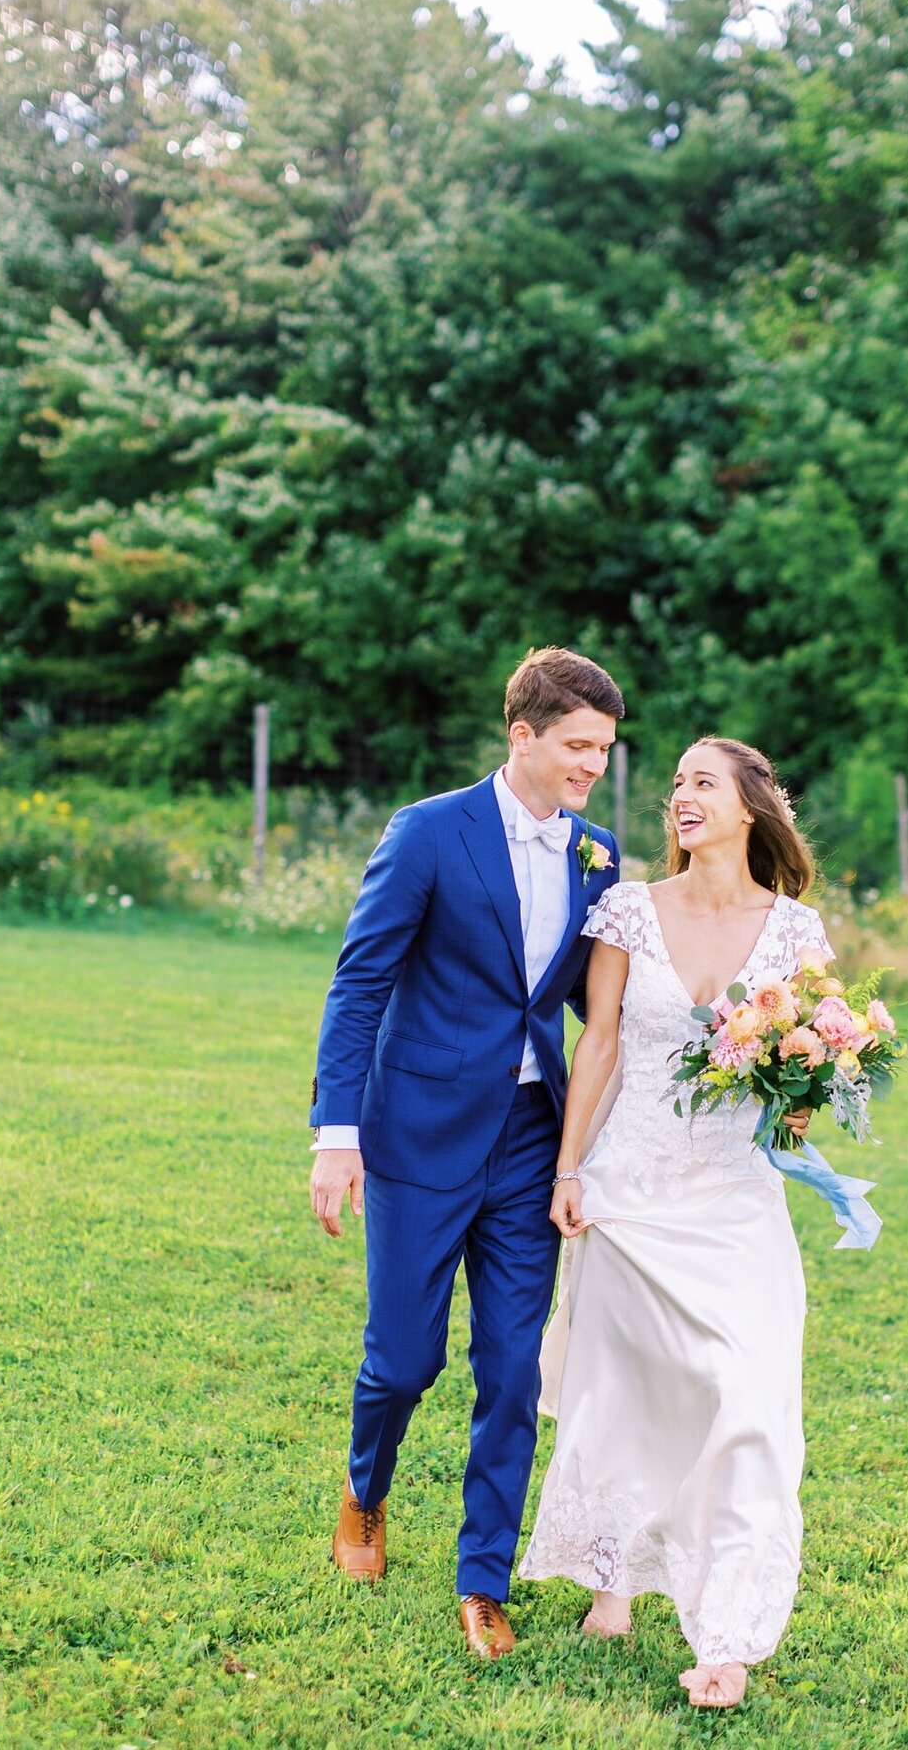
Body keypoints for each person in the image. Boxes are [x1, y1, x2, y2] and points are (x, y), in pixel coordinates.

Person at [308, 646, 624, 1660]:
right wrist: (336, 1135)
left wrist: (728, 1034)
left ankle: (482, 1577)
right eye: (579, 746)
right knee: (405, 1360)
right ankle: (366, 1490)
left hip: (534, 1145)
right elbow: (360, 986)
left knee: (511, 1368)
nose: (593, 768)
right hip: (417, 1135)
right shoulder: (429, 833)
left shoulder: (599, 854)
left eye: (607, 751)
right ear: (522, 736)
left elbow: (595, 1003)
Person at [519, 736, 831, 1709]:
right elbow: (600, 1041)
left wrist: (808, 1086)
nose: (679, 797)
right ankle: (614, 1585)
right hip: (629, 1187)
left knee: (748, 1404)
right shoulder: (627, 909)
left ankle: (726, 1636)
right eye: (675, 786)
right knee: (626, 1396)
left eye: (702, 782)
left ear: (749, 805)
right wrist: (572, 1169)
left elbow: (808, 1079)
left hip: (738, 1200)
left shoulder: (797, 934)